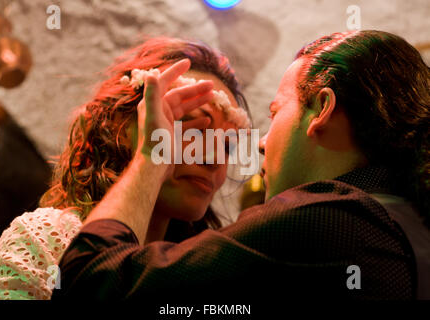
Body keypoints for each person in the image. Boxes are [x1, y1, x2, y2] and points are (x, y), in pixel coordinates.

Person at [52, 30, 430, 302]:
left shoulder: (324, 219)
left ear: (322, 109)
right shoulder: (407, 218)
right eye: (190, 126)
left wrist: (155, 154)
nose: (261, 144)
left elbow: (90, 282)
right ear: (127, 127)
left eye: (275, 112)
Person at [0, 37, 251, 300]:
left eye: (228, 146)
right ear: (121, 127)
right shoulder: (49, 240)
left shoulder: (201, 271)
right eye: (191, 129)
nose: (214, 159)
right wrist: (151, 158)